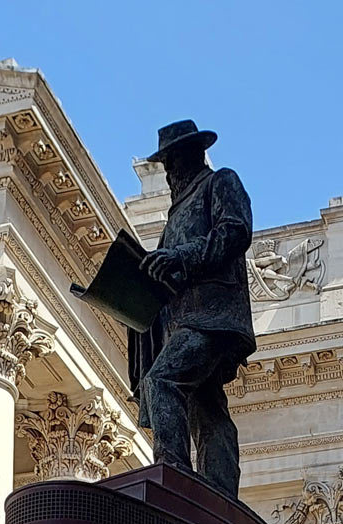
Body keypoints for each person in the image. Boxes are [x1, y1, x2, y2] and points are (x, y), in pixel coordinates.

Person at [129, 119, 256, 499]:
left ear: (189, 156)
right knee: (207, 409)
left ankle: (173, 478)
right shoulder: (175, 212)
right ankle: (220, 495)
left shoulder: (221, 183)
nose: (168, 173)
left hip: (212, 316)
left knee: (162, 382)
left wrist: (181, 256)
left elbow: (235, 232)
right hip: (183, 320)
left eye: (171, 163)